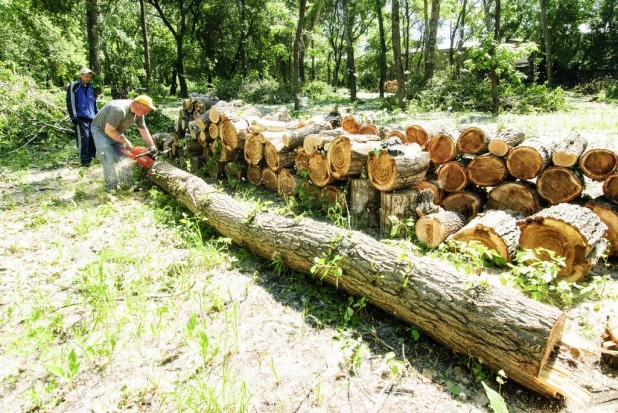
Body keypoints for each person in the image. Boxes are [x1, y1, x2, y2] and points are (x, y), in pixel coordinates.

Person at [91, 95, 159, 192]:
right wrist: (124, 141)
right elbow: (108, 130)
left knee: (125, 157)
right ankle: (111, 188)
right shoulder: (119, 110)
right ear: (140, 105)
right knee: (108, 159)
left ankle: (126, 185)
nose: (147, 113)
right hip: (101, 131)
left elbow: (143, 130)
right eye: (146, 110)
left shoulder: (139, 114)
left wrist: (152, 146)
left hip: (116, 130)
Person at [66, 68, 98, 167]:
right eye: (86, 76)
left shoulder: (91, 87)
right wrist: (73, 116)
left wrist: (97, 114)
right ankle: (84, 159)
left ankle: (92, 156)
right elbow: (70, 101)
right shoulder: (74, 85)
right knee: (84, 138)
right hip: (80, 116)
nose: (88, 78)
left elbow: (94, 102)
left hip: (91, 116)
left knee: (93, 137)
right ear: (81, 75)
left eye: (90, 77)